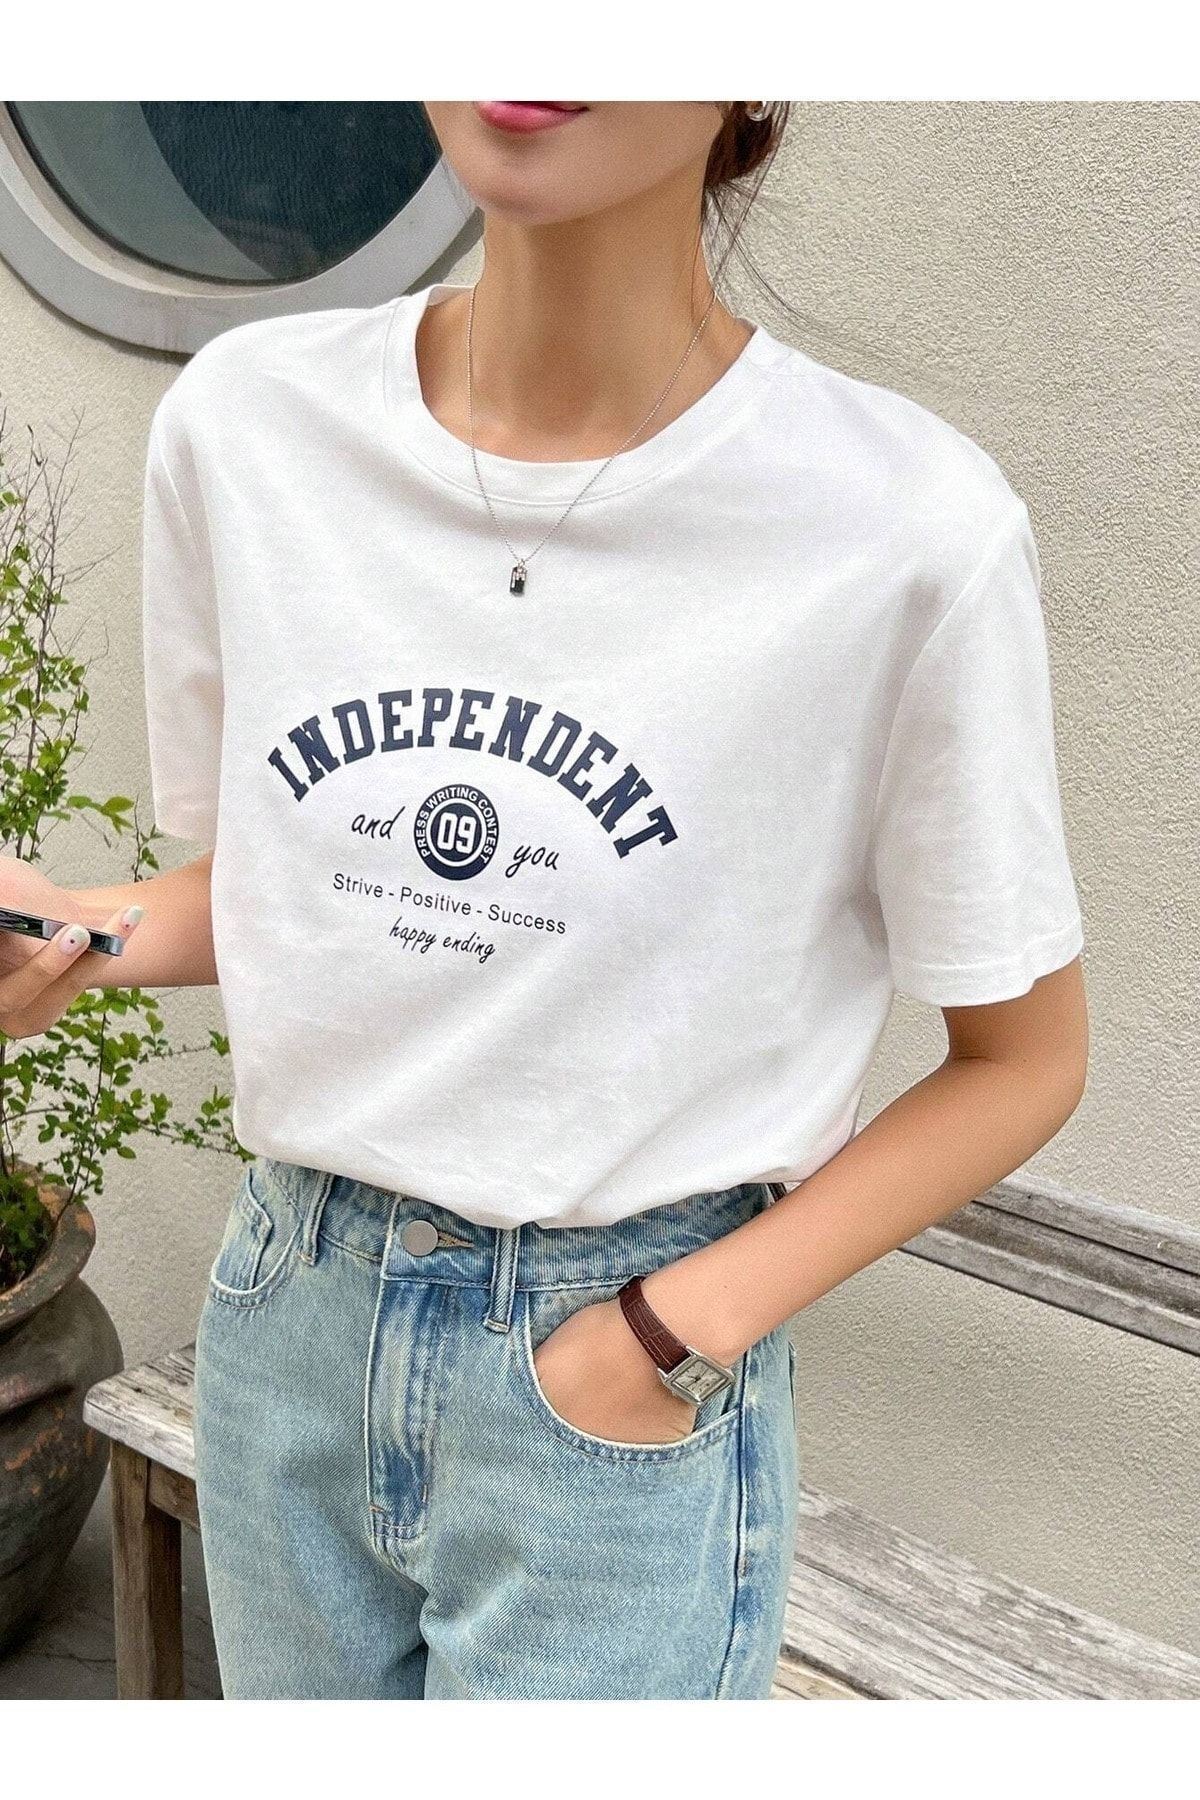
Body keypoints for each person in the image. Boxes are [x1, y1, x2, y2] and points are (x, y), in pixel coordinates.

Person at [0, 101, 1088, 1700]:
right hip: (289, 1314)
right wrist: (74, 938)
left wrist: (663, 1335)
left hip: (611, 1383)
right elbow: (286, 895)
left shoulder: (902, 529)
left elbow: (1025, 1060)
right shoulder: (249, 428)